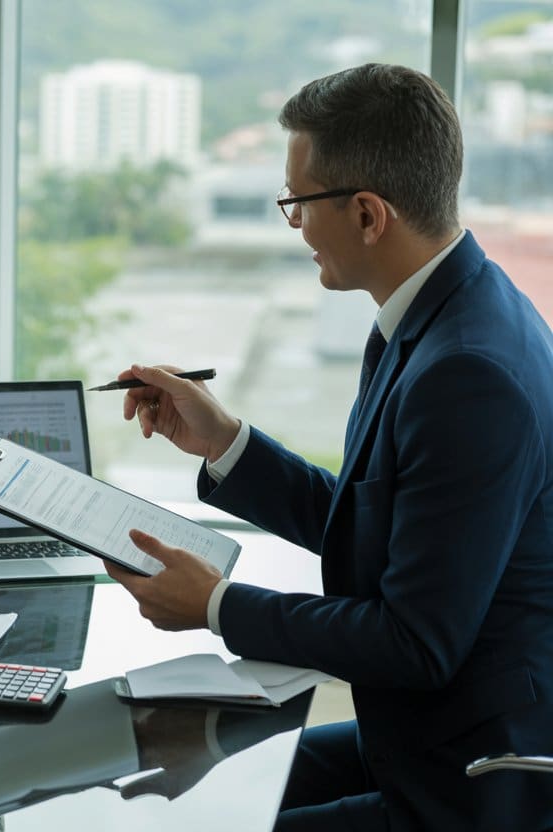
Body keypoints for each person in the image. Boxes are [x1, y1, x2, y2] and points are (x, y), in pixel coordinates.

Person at [104, 64, 553, 831]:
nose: (295, 225)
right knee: (188, 791)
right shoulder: (444, 313)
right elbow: (376, 526)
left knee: (199, 819)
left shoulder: (467, 373)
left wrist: (214, 606)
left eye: (297, 204)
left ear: (369, 214)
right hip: (427, 731)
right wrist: (224, 440)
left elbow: (415, 643)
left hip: (471, 781)